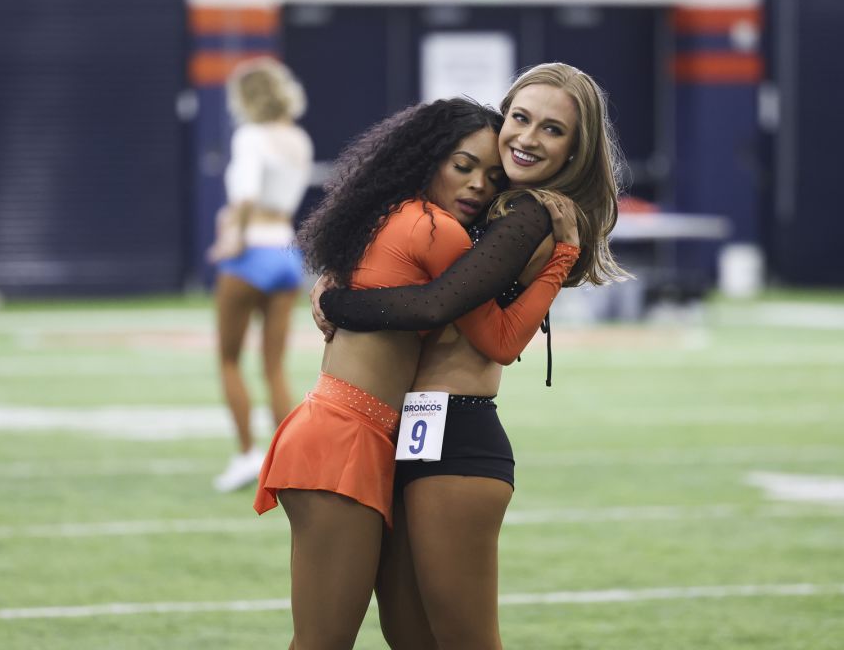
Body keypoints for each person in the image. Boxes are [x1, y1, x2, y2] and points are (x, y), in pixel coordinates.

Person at [311, 62, 631, 649]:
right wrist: (339, 269)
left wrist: (340, 301)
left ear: (576, 150)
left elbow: (447, 310)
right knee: (411, 638)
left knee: (465, 641)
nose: (529, 138)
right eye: (521, 118)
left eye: (553, 130)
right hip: (405, 431)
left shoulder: (533, 213)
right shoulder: (486, 200)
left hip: (456, 437)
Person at [254, 97, 580, 649]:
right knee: (323, 641)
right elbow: (498, 338)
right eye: (462, 165)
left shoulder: (383, 217)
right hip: (348, 436)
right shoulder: (437, 231)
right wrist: (563, 255)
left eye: (492, 176)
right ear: (427, 159)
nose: (479, 184)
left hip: (354, 429)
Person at [207, 58, 314, 493]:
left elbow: (247, 194)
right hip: (287, 253)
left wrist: (233, 235)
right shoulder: (299, 138)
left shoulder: (250, 136)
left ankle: (247, 455)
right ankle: (286, 461)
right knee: (275, 368)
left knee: (230, 359)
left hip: (252, 250)